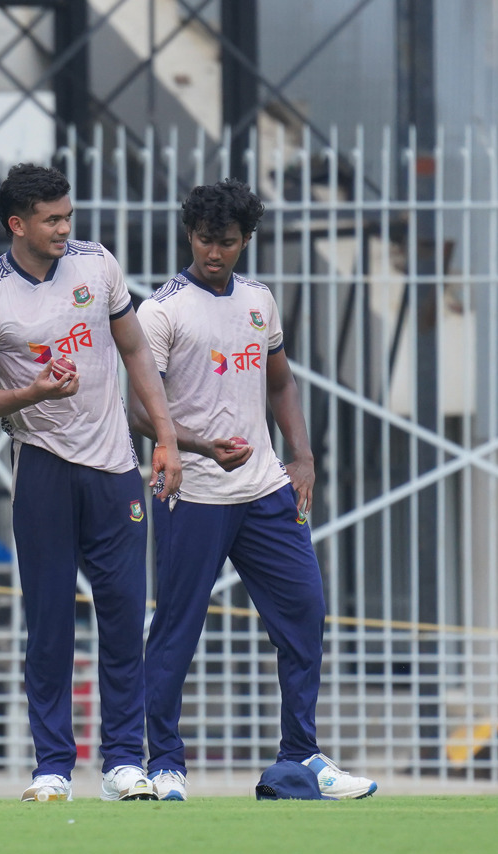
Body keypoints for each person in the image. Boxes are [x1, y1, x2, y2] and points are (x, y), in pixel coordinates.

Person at [129, 178, 377, 800]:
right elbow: (138, 411)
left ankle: (301, 757)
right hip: (199, 490)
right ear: (191, 235)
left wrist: (302, 455)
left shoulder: (259, 300)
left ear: (246, 241)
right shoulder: (161, 311)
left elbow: (281, 383)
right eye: (207, 240)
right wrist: (197, 446)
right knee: (178, 628)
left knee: (304, 612)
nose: (216, 253)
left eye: (229, 242)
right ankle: (165, 764)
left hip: (265, 489)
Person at [0, 163, 182, 802]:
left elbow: (135, 350)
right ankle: (52, 766)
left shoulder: (97, 264)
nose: (63, 229)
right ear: (16, 224)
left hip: (114, 468)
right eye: (50, 219)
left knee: (123, 617)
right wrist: (30, 392)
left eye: (67, 216)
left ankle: (123, 763)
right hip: (43, 468)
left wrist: (163, 437)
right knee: (48, 623)